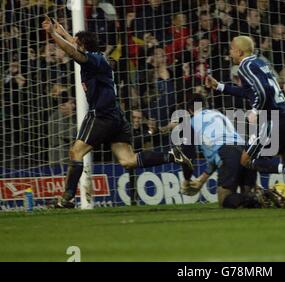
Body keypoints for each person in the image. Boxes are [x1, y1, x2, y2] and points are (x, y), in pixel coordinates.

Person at [41, 16, 192, 208]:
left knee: (75, 152)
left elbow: (73, 52)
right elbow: (75, 46)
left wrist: (53, 34)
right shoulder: (97, 58)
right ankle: (173, 155)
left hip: (101, 116)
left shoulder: (92, 61)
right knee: (128, 160)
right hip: (116, 117)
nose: (74, 44)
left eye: (77, 43)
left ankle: (66, 199)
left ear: (83, 47)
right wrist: (62, 31)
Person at [205, 35, 285, 205]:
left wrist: (255, 110)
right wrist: (220, 87)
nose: (229, 52)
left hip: (273, 118)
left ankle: (284, 171)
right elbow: (248, 92)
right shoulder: (260, 63)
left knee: (246, 159)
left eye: (231, 48)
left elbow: (263, 90)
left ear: (239, 51)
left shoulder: (245, 65)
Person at [180, 95, 285, 209]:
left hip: (227, 153)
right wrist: (202, 180)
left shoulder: (191, 122)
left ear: (190, 110)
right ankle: (263, 194)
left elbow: (188, 155)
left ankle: (257, 197)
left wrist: (187, 179)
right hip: (246, 151)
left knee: (224, 200)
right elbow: (216, 156)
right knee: (247, 197)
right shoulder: (218, 115)